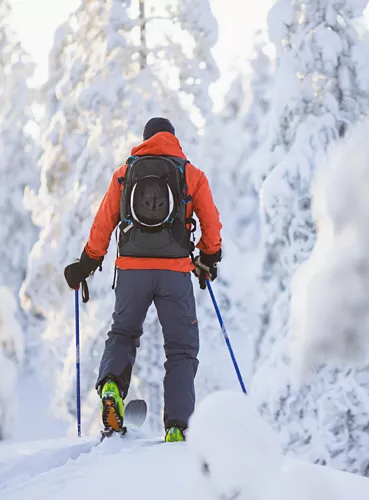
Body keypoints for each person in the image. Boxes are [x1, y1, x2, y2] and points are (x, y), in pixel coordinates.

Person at [63, 117, 222, 442]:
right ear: (173, 139)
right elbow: (211, 224)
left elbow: (103, 224)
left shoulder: (124, 174)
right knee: (181, 349)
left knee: (123, 333)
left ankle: (111, 384)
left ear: (145, 139)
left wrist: (86, 264)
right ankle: (177, 427)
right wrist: (208, 258)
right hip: (175, 273)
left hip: (132, 271)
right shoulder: (191, 175)